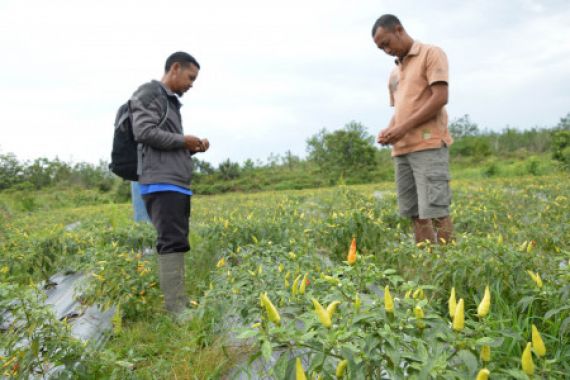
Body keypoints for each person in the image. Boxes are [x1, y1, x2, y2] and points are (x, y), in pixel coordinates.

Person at [130, 51, 209, 318]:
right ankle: (177, 310)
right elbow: (143, 131)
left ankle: (180, 302)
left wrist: (191, 148)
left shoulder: (169, 102)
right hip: (162, 182)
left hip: (174, 182)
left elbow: (164, 141)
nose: (191, 84)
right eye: (190, 77)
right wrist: (182, 141)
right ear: (175, 68)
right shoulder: (150, 92)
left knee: (177, 240)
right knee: (171, 242)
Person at [372, 14, 454, 244]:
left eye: (386, 43)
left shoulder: (431, 53)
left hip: (428, 145)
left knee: (437, 211)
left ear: (398, 30)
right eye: (381, 48)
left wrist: (401, 129)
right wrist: (389, 131)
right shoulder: (394, 73)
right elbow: (400, 111)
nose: (386, 50)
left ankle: (451, 265)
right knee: (416, 215)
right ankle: (428, 267)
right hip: (402, 151)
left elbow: (440, 98)